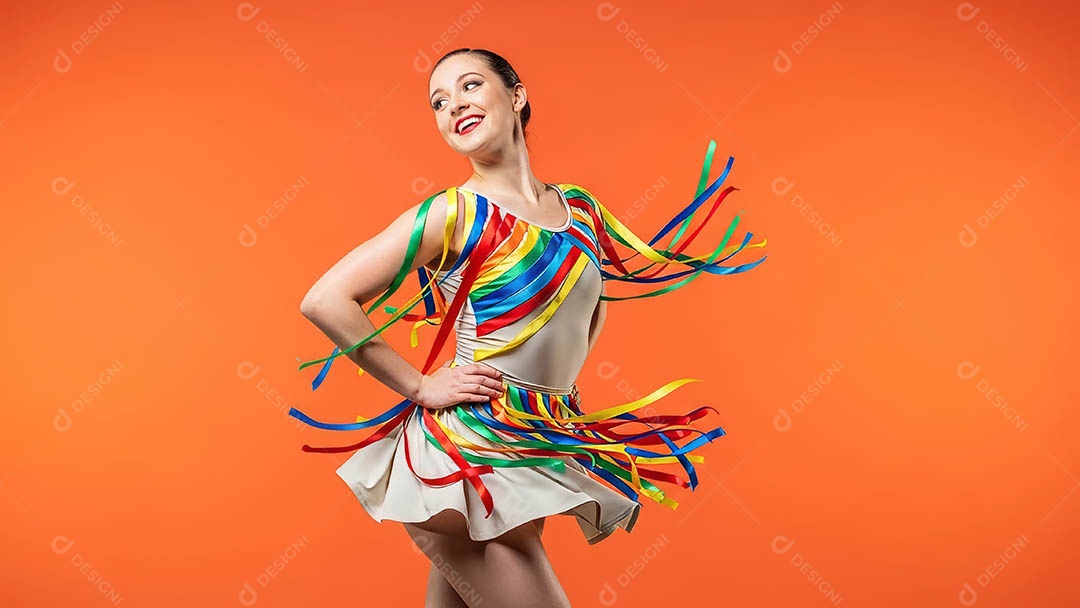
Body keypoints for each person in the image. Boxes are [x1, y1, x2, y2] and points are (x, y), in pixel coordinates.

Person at [289, 47, 767, 608]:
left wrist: (552, 408)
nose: (453, 106)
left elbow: (587, 311)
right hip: (467, 453)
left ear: (517, 96)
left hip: (531, 444)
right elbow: (325, 299)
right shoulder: (454, 213)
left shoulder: (579, 210)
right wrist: (419, 386)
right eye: (438, 102)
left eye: (469, 86)